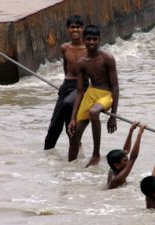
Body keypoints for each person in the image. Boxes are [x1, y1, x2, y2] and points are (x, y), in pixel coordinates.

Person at [68, 25, 119, 167]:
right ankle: (69, 168)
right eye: (89, 39)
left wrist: (113, 116)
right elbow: (80, 92)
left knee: (93, 112)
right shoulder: (81, 63)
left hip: (106, 94)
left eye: (95, 39)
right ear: (84, 40)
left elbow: (115, 87)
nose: (92, 42)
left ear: (100, 40)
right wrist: (73, 118)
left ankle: (95, 154)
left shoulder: (107, 58)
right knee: (74, 135)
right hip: (91, 93)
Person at [44, 15, 88, 150]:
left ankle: (76, 150)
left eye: (78, 27)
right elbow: (66, 67)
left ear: (82, 29)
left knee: (69, 111)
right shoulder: (65, 47)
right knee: (54, 124)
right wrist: (64, 85)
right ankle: (47, 154)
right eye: (72, 27)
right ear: (68, 29)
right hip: (67, 85)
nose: (75, 30)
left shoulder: (88, 48)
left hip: (82, 86)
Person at [107, 122, 146, 189]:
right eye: (125, 160)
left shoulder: (112, 168)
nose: (128, 162)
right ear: (117, 165)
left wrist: (131, 131)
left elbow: (125, 151)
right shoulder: (117, 178)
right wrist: (139, 134)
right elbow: (133, 157)